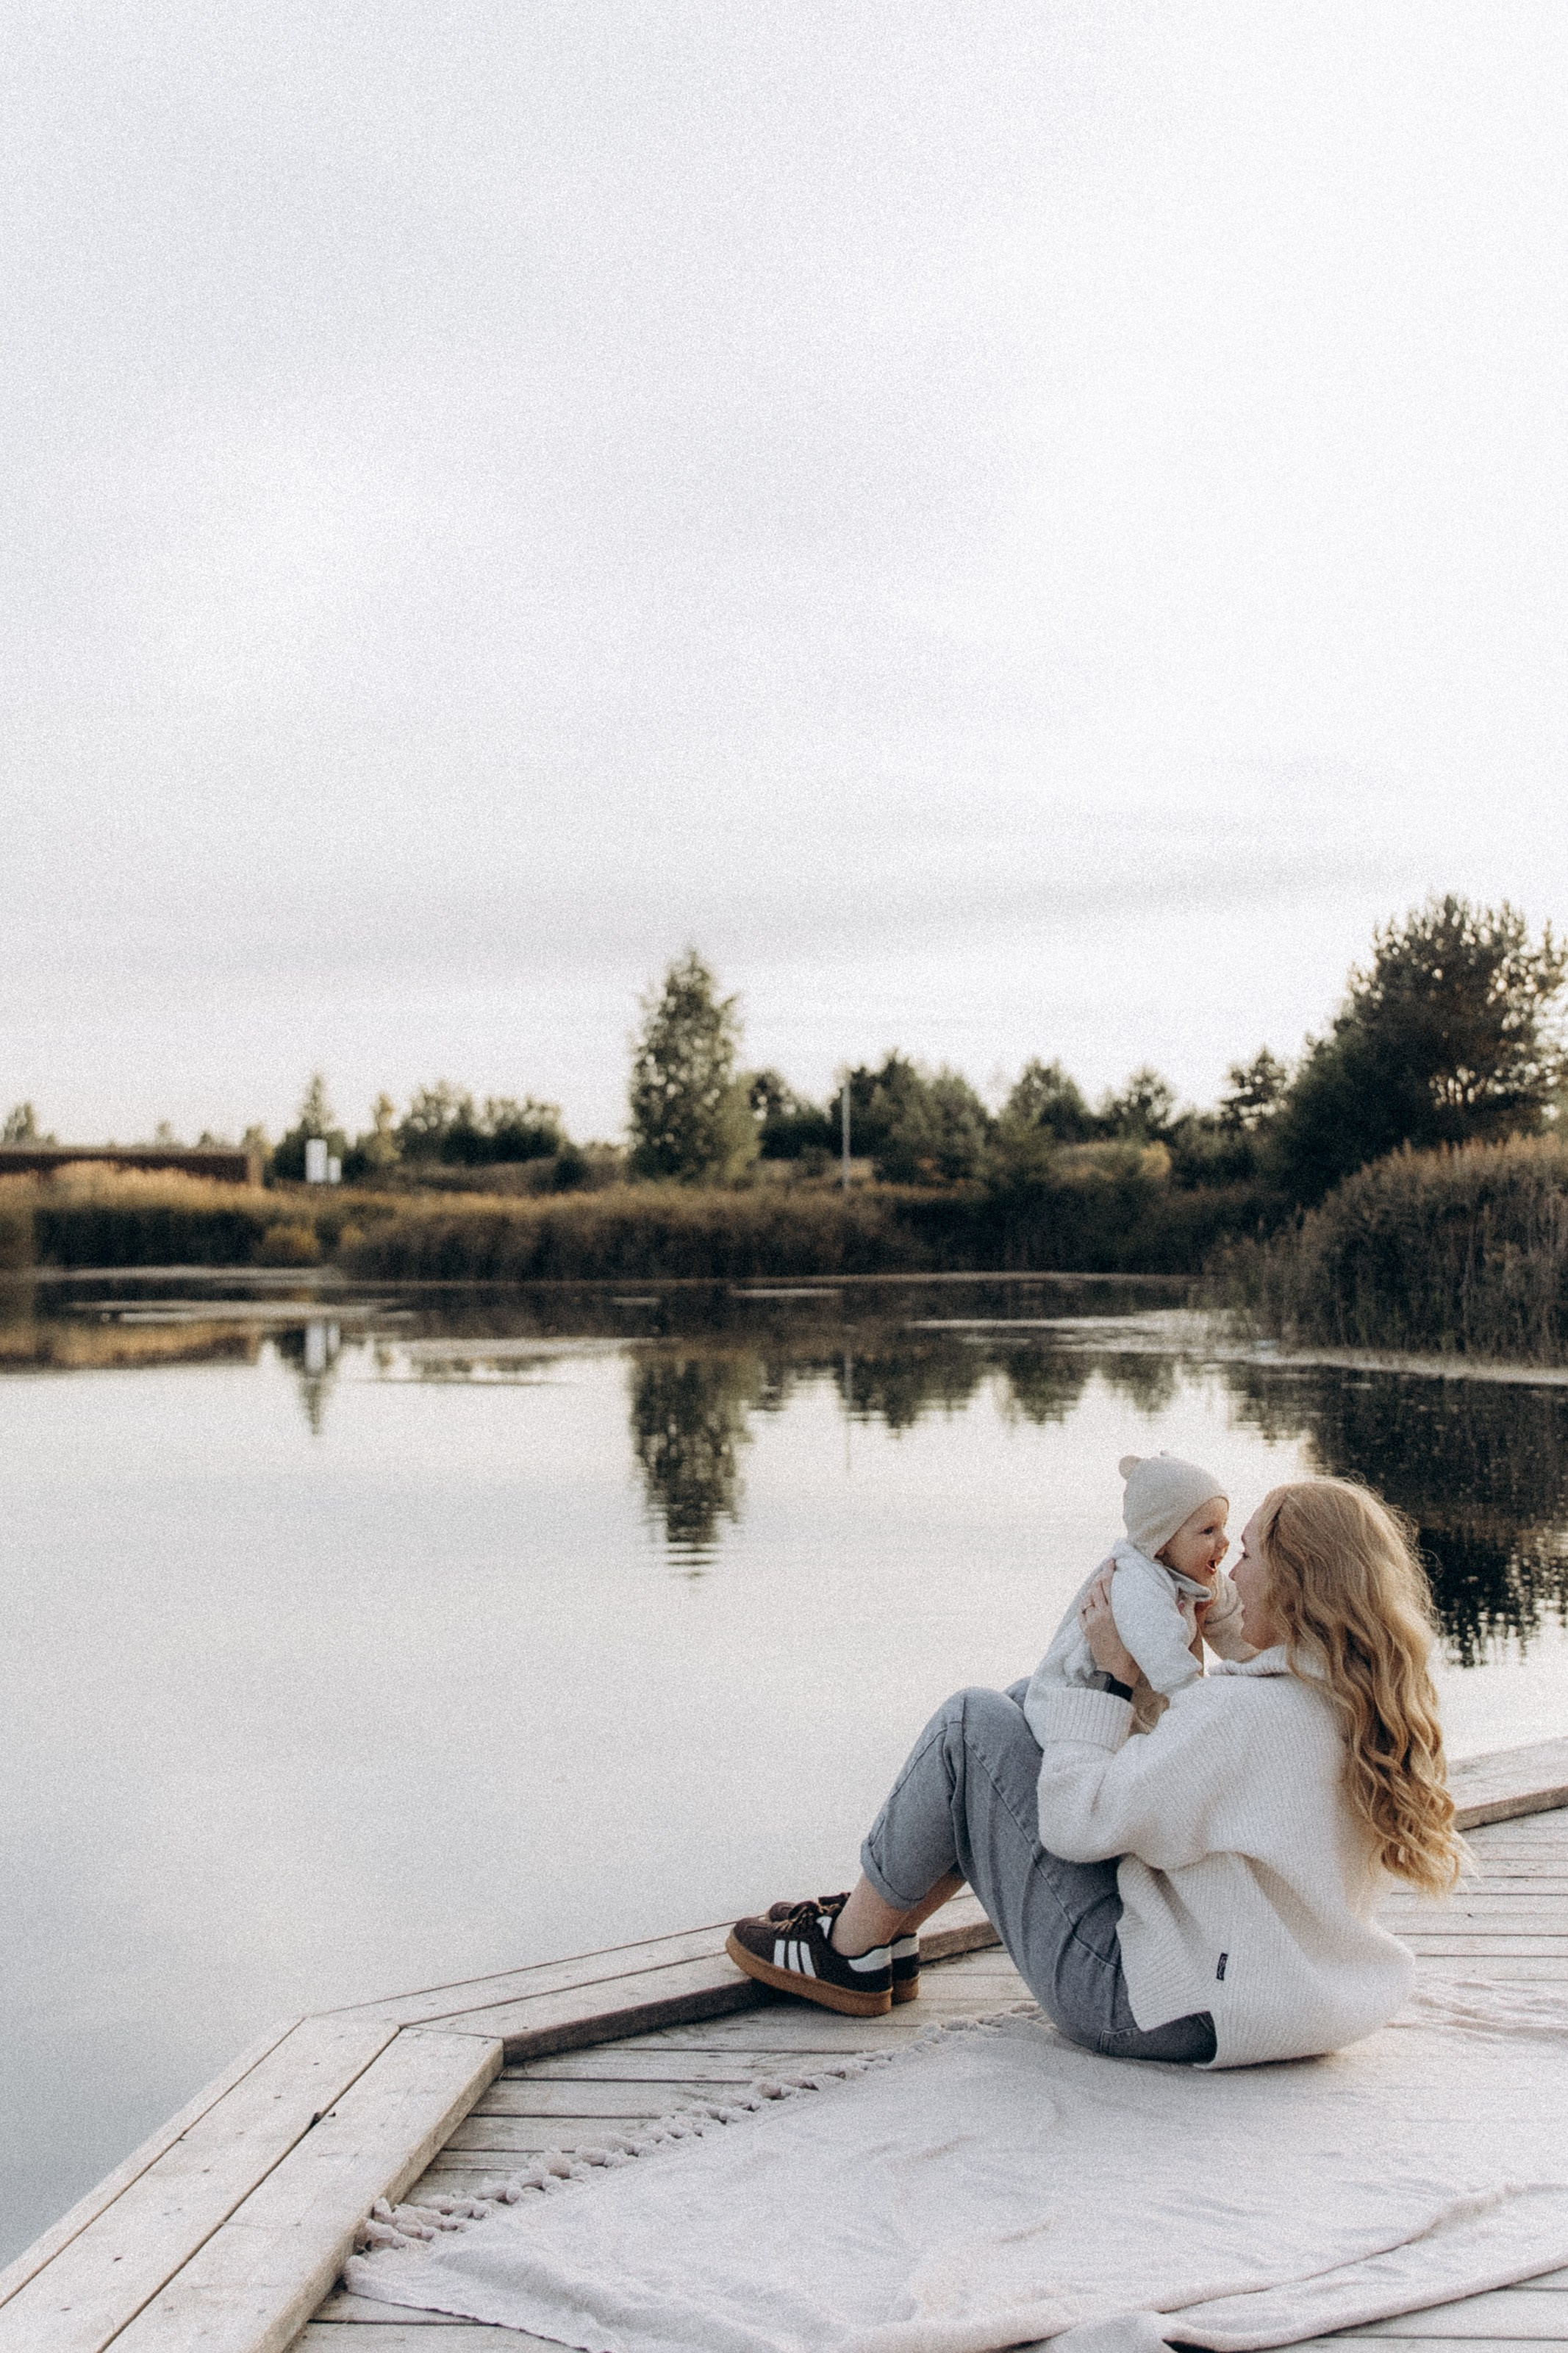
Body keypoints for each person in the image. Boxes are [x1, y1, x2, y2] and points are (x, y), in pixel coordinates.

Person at [726, 1477, 1464, 2068]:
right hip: (1285, 1998)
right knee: (1021, 1713)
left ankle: (851, 1951)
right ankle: (888, 1937)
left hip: (1152, 2006)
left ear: (1295, 1581)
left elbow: (1078, 1825)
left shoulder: (1241, 1714)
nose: (1231, 1569)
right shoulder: (1364, 1704)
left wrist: (1109, 1679)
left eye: (1250, 1553)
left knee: (973, 1723)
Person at [1025, 1450, 1253, 1735]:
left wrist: (1266, 1667)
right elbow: (1166, 1660)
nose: (1224, 1541)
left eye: (1223, 1527)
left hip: (1128, 1713)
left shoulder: (1197, 1575)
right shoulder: (1136, 1580)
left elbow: (1239, 1627)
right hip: (1069, 1715)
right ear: (1160, 1541)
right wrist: (1203, 1705)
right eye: (1208, 1531)